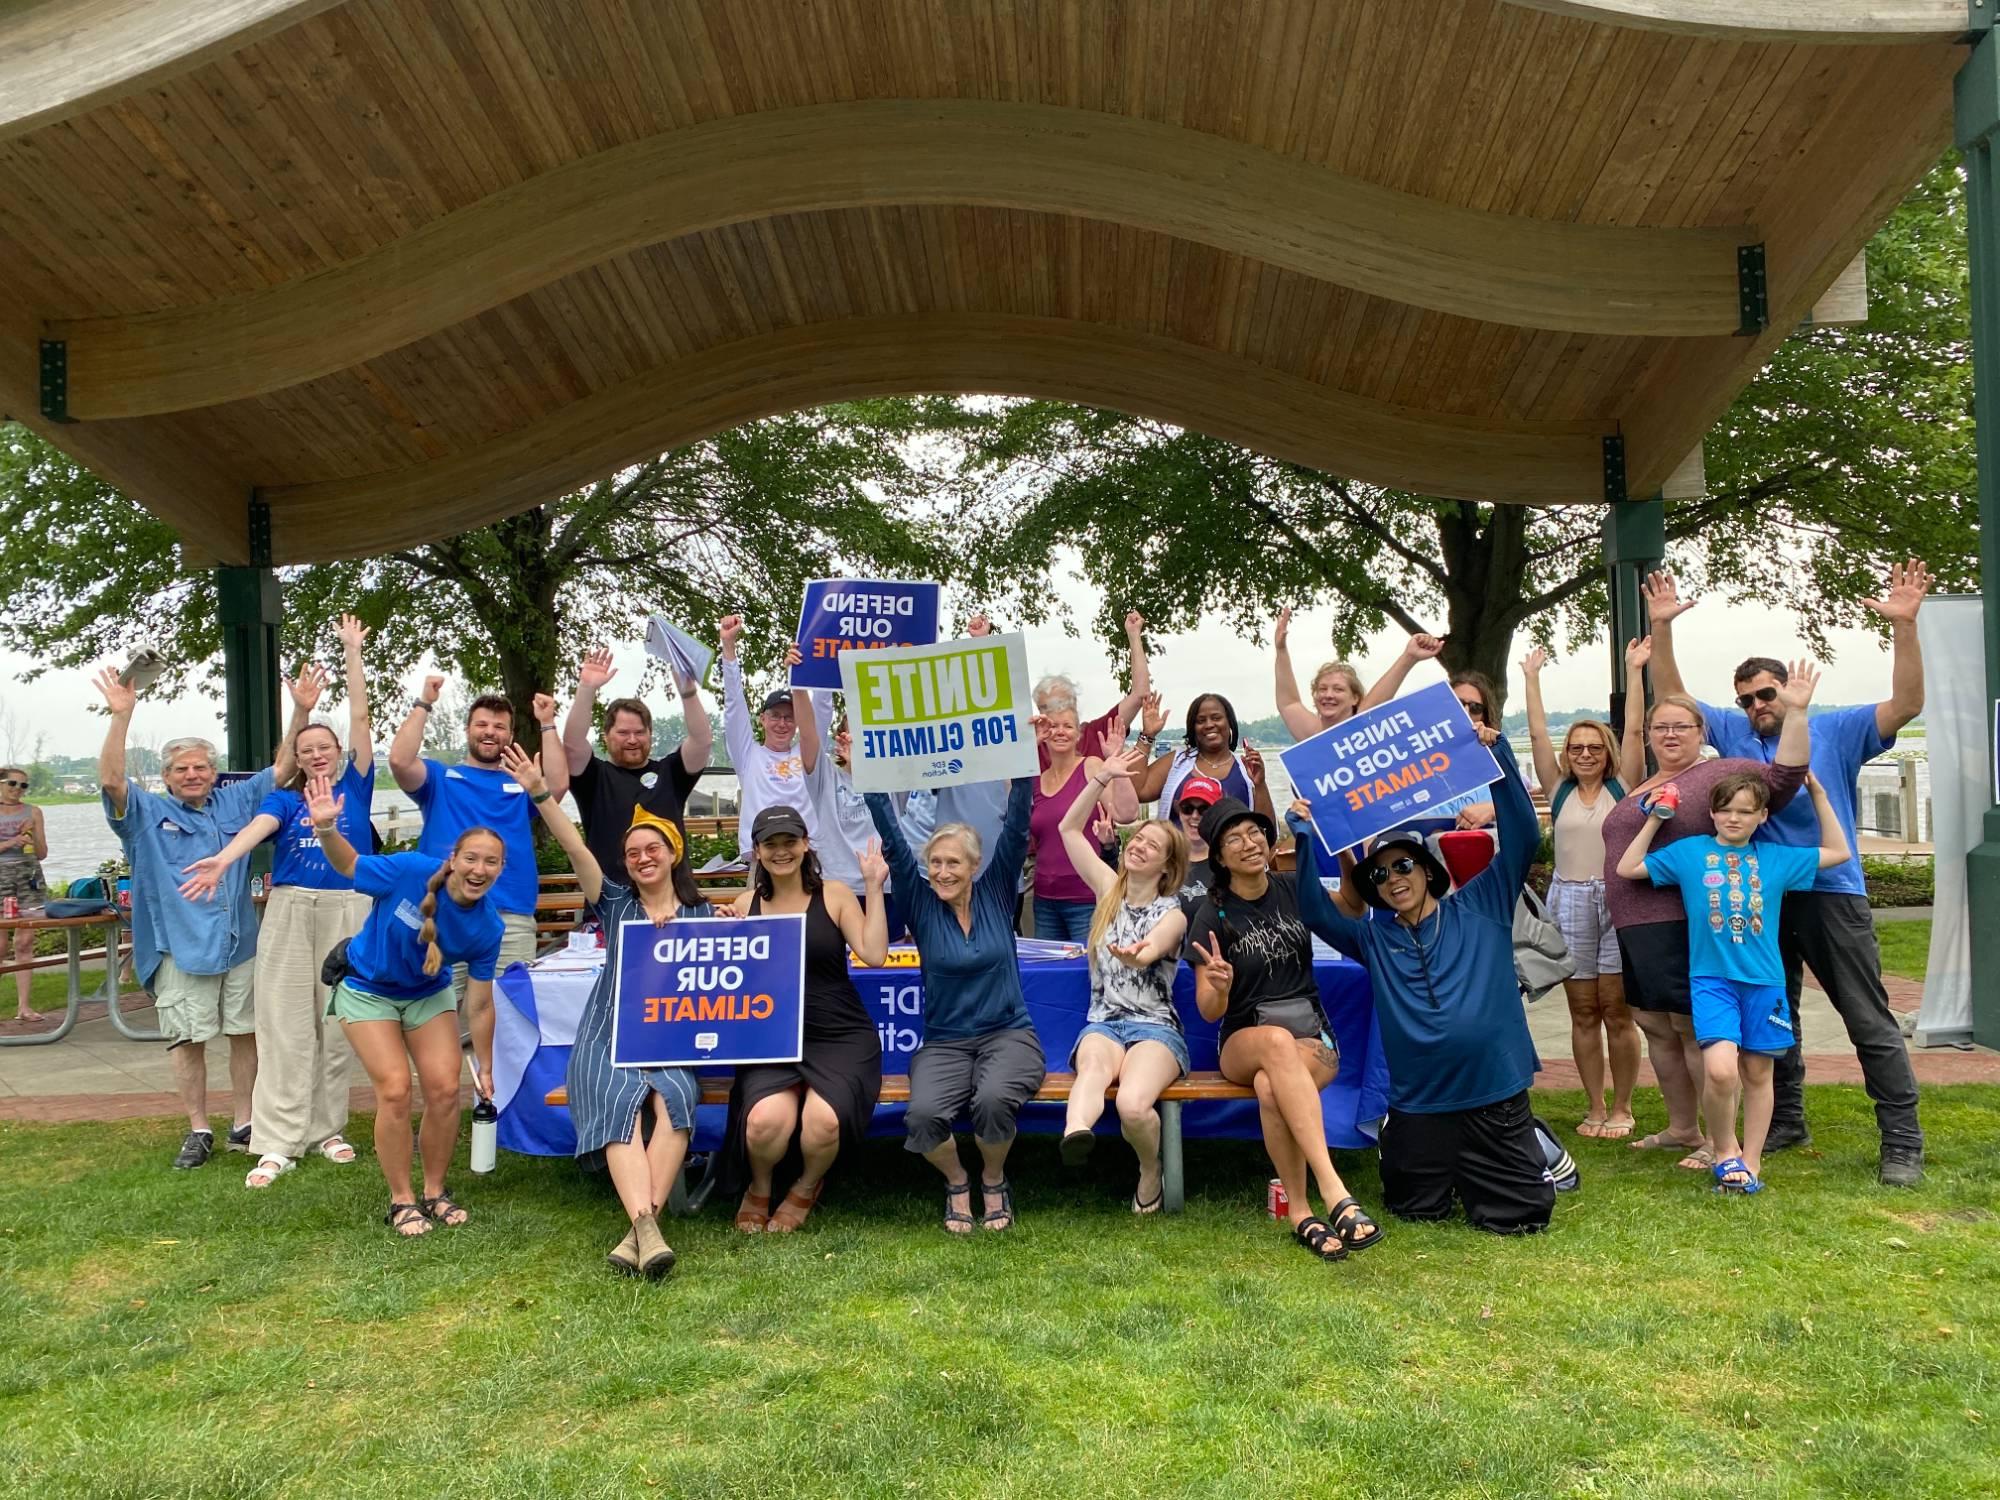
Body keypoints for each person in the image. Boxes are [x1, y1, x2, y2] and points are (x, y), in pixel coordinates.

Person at [1645, 564, 1928, 1186]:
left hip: (1830, 893)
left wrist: (1905, 627)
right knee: (1779, 1015)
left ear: (1787, 690)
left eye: (1765, 694)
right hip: (1759, 899)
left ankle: (1902, 1139)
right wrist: (1661, 630)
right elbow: (1676, 698)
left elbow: (1908, 702)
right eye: (1746, 698)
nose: (1755, 706)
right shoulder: (1737, 733)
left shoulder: (1838, 728)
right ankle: (1785, 1120)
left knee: (1865, 1014)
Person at [1289, 725, 1556, 1235]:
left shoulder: (1482, 903)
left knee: (1521, 1216)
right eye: (1381, 875)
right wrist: (1303, 837)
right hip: (1420, 1101)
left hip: (1493, 1087)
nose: (1394, 879)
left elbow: (1522, 835)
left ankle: (1539, 1145)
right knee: (1414, 1207)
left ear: (1427, 870)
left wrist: (1495, 755)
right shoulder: (1371, 939)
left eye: (1404, 865)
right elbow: (1313, 911)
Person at [178, 614, 376, 1188]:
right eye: (306, 747)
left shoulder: (356, 787)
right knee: (285, 1026)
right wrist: (224, 859)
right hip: (291, 911)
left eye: (325, 746)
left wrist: (351, 653)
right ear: (297, 754)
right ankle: (275, 1140)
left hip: (348, 909)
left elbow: (360, 716)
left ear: (338, 753)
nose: (316, 754)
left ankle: (328, 1129)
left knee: (336, 1026)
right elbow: (255, 827)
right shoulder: (286, 800)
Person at [95, 662, 312, 1169]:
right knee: (186, 1039)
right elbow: (110, 780)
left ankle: (244, 1121)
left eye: (200, 767)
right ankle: (198, 1128)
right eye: (181, 769)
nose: (192, 775)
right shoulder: (145, 814)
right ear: (166, 777)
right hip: (178, 947)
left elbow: (283, 769)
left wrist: (301, 708)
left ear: (214, 772)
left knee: (244, 1032)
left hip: (238, 943)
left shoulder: (235, 799)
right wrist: (121, 717)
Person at [1601, 679, 1812, 1171]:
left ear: (1702, 732)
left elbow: (1786, 776)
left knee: (1693, 1029)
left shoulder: (1720, 771)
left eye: (1681, 726)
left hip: (1676, 921)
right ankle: (1681, 1127)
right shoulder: (1643, 783)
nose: (1669, 735)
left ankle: (1717, 1139)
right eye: (1660, 728)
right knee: (1654, 1024)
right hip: (1633, 924)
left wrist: (1797, 713)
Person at [1617, 772, 1853, 1195]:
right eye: (1725, 809)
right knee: (1721, 1072)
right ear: (1711, 813)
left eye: (1745, 811)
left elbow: (1838, 851)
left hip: (1765, 984)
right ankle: (1725, 1151)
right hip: (1712, 982)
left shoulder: (1777, 858)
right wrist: (1655, 819)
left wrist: (1819, 791)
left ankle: (1751, 1160)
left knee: (1758, 1073)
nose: (1733, 818)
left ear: (1762, 816)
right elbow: (1627, 867)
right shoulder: (1691, 852)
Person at [519, 749, 707, 1275]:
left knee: (678, 1098)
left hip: (669, 1035)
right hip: (609, 1030)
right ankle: (648, 1227)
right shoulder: (615, 902)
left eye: (653, 849)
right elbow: (575, 846)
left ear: (673, 853)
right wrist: (540, 792)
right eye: (632, 853)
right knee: (616, 1097)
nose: (642, 858)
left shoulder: (701, 913)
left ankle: (636, 1234)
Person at [1182, 796, 1381, 1262]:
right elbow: (1210, 1012)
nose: (1248, 844)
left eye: (1255, 833)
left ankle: (1300, 1212)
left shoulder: (1293, 887)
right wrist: (1218, 984)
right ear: (1219, 856)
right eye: (1234, 838)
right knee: (1273, 1045)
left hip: (1313, 1035)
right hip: (1242, 1039)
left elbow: (1353, 906)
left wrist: (1347, 850)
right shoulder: (1212, 914)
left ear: (1269, 841)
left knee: (1272, 1088)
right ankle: (1334, 1189)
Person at [305, 768, 502, 1237]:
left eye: (491, 863)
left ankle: (435, 1191)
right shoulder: (411, 870)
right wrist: (327, 828)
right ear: (452, 860)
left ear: (500, 870)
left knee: (444, 1088)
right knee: (394, 1088)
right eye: (471, 858)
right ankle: (401, 1199)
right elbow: (350, 866)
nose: (479, 870)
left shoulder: (487, 928)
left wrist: (488, 1066)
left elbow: (480, 1005)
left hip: (424, 994)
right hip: (367, 988)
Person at [865, 776, 1044, 1233]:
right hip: (945, 1042)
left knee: (993, 1100)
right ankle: (957, 1180)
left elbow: (1018, 828)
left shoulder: (999, 891)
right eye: (936, 862)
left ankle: (993, 1178)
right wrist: (868, 779)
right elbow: (895, 844)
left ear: (975, 865)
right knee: (923, 1118)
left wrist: (1024, 766)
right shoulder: (921, 905)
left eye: (953, 863)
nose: (942, 872)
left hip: (1007, 1033)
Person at [724, 805, 890, 1234]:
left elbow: (874, 955)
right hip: (773, 1037)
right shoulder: (745, 905)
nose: (782, 852)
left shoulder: (833, 894)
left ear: (805, 845)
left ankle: (806, 1185)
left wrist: (873, 887)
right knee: (764, 1123)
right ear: (757, 851)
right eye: (771, 844)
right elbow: (727, 979)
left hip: (838, 1034)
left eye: (790, 842)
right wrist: (723, 934)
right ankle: (759, 1187)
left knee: (824, 1122)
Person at [1053, 747, 1191, 1212]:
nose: (1138, 846)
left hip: (1155, 1026)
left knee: (1133, 1105)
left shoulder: (1172, 912)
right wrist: (1102, 778)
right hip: (1104, 1021)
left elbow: (1153, 948)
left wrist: (1137, 956)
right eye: (1137, 838)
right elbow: (1068, 829)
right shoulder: (1105, 889)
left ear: (1167, 868)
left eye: (1153, 846)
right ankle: (1076, 1134)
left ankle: (1150, 1168)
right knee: (1092, 1068)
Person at [1520, 637, 1648, 1139]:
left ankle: (1623, 1107)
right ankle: (1594, 1106)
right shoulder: (1561, 788)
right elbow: (1534, 733)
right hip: (1569, 898)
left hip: (1617, 898)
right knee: (1583, 1009)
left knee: (1617, 1008)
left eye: (1595, 747)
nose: (1586, 754)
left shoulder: (1626, 784)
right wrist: (1531, 677)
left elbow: (1635, 728)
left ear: (1607, 751)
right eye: (1577, 748)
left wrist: (1634, 669)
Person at [388, 675, 555, 997]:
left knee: (513, 1017)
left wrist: (547, 723)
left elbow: (558, 784)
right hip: (445, 915)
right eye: (481, 724)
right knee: (437, 1016)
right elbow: (399, 761)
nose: (490, 732)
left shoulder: (524, 784)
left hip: (510, 920)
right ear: (468, 730)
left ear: (511, 734)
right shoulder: (439, 777)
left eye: (499, 726)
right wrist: (425, 702)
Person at [548, 645, 712, 884]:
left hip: (672, 897)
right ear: (606, 736)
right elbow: (572, 743)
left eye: (639, 732)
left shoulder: (670, 773)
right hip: (611, 901)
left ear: (650, 734)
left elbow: (702, 741)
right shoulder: (594, 778)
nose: (632, 740)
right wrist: (586, 688)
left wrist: (688, 693)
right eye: (623, 733)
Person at [718, 614, 830, 842]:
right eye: (775, 716)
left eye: (789, 718)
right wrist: (728, 647)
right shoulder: (748, 755)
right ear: (762, 719)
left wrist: (823, 658)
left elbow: (822, 711)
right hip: (762, 857)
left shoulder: (808, 754)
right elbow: (734, 706)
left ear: (799, 722)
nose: (782, 723)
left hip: (807, 857)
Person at [1029, 698, 1113, 942]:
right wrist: (1026, 747)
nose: (1060, 732)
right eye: (1052, 726)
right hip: (1045, 900)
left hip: (1085, 898)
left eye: (1067, 726)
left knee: (1089, 972)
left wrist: (1115, 760)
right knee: (1051, 975)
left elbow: (1124, 813)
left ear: (1078, 734)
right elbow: (1007, 802)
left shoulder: (1092, 766)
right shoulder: (1036, 780)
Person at [1131, 692, 1276, 834]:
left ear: (1230, 723)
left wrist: (1260, 784)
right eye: (1200, 720)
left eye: (1216, 718)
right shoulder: (1177, 761)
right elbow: (1139, 791)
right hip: (1176, 857)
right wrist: (1147, 735)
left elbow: (1267, 831)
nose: (1209, 725)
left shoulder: (1246, 769)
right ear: (1193, 728)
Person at [0, 764, 50, 1022]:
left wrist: (31, 837)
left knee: (25, 942)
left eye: (23, 785)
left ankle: (24, 1007)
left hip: (29, 877)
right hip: (1, 877)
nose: (17, 790)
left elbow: (42, 853)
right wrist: (11, 842)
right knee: (0, 944)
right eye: (12, 784)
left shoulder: (34, 812)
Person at [1169, 775, 1224, 910]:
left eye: (1204, 810)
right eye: (1187, 809)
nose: (1194, 816)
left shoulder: (1227, 862)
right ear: (1180, 812)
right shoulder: (1164, 857)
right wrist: (1109, 848)